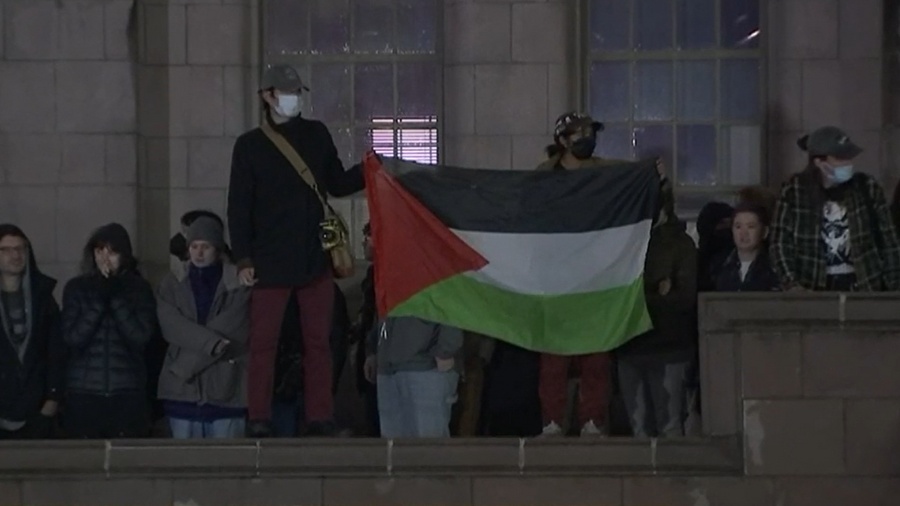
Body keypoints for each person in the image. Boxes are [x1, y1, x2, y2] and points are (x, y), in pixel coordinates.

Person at [227, 64, 365, 436]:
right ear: (267, 96)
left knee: (318, 343)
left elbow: (336, 183)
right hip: (270, 261)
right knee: (263, 345)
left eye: (296, 92)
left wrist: (370, 169)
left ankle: (320, 416)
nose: (294, 99)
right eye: (287, 92)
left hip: (311, 258)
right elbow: (239, 208)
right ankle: (258, 416)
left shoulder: (317, 135)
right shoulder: (250, 146)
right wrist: (243, 258)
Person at [772, 127, 900, 291]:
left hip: (864, 284)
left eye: (849, 158)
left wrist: (893, 287)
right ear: (819, 162)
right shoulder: (794, 191)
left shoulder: (866, 187)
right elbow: (780, 243)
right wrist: (791, 284)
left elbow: (889, 241)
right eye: (840, 158)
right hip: (811, 287)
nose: (847, 164)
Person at [156, 217, 250, 439]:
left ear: (216, 249)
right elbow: (171, 325)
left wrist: (186, 366)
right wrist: (211, 344)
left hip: (225, 389)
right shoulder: (172, 283)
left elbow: (233, 327)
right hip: (182, 394)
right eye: (194, 246)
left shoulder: (237, 283)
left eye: (205, 247)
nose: (199, 253)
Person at [615, 185, 697, 438]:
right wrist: (658, 287)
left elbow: (684, 298)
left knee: (670, 429)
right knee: (640, 431)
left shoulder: (680, 244)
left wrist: (641, 294)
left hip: (669, 348)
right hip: (631, 347)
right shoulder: (625, 243)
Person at [61, 224, 157, 439]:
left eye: (112, 252)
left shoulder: (139, 289)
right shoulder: (76, 288)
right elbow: (72, 338)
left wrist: (114, 298)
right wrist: (98, 300)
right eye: (99, 251)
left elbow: (140, 336)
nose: (105, 258)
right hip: (84, 391)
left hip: (126, 391)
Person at [0, 225, 65, 439]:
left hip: (37, 412)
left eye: (20, 248)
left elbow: (56, 351)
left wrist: (51, 401)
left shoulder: (44, 297)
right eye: (6, 250)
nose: (15, 255)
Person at [364, 316, 463, 438]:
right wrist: (374, 348)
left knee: (428, 443)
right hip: (388, 364)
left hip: (426, 365)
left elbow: (453, 301)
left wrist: (447, 348)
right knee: (392, 445)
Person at [715, 204, 780, 292]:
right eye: (738, 227)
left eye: (751, 227)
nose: (743, 233)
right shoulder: (719, 267)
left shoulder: (775, 267)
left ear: (765, 232)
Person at [696, 202, 736, 292]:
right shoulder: (694, 262)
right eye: (723, 223)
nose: (729, 227)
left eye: (732, 223)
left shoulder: (740, 258)